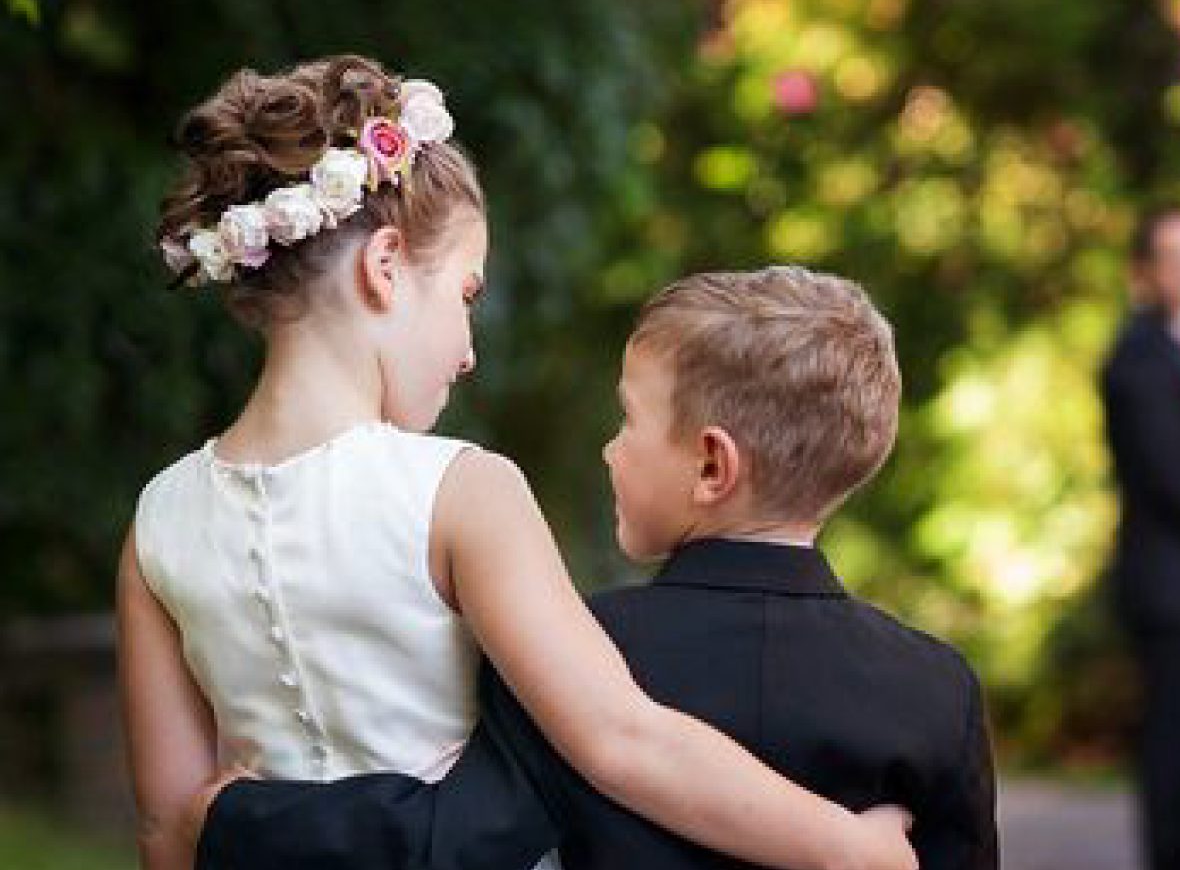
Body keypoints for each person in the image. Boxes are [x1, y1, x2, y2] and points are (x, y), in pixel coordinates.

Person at [116, 55, 916, 870]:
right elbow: (620, 739)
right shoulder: (460, 491)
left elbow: (170, 831)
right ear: (385, 267)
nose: (467, 353)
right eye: (466, 295)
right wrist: (847, 848)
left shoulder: (158, 519)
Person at [192, 265, 999, 870]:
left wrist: (237, 818)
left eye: (629, 419)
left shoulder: (582, 651)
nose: (611, 448)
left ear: (712, 467)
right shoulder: (936, 690)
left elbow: (455, 841)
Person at [1099, 205, 1180, 870]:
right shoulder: (1137, 361)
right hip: (1168, 588)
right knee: (1173, 741)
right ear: (1149, 274)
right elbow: (1168, 474)